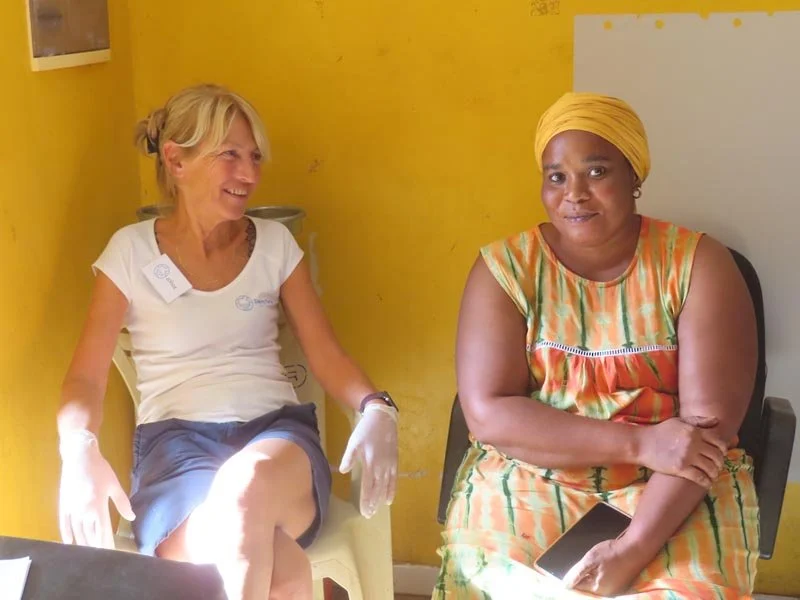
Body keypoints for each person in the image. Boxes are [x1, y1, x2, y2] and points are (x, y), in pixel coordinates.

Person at [57, 84, 399, 600]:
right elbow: (85, 376)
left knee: (246, 487)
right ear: (176, 160)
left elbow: (326, 353)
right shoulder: (129, 253)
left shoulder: (275, 245)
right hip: (176, 452)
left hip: (277, 441)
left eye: (254, 157)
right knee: (284, 577)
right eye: (230, 155)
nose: (249, 174)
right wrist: (78, 449)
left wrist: (376, 407)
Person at [434, 92, 759, 599]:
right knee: (494, 584)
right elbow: (489, 414)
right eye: (556, 177)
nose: (575, 195)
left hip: (672, 485)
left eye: (597, 171)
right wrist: (640, 443)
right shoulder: (506, 270)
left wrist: (632, 547)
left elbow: (704, 436)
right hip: (530, 475)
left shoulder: (698, 264)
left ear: (634, 176)